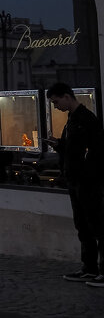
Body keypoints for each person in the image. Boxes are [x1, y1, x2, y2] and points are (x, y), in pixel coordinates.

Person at [45, 83, 104, 283]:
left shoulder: (87, 119)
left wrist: (87, 174)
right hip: (76, 180)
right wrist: (60, 145)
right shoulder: (72, 120)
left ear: (67, 97)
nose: (55, 107)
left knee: (96, 225)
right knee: (83, 226)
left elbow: (96, 151)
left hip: (88, 182)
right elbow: (75, 149)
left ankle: (100, 270)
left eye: (56, 102)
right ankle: (89, 267)